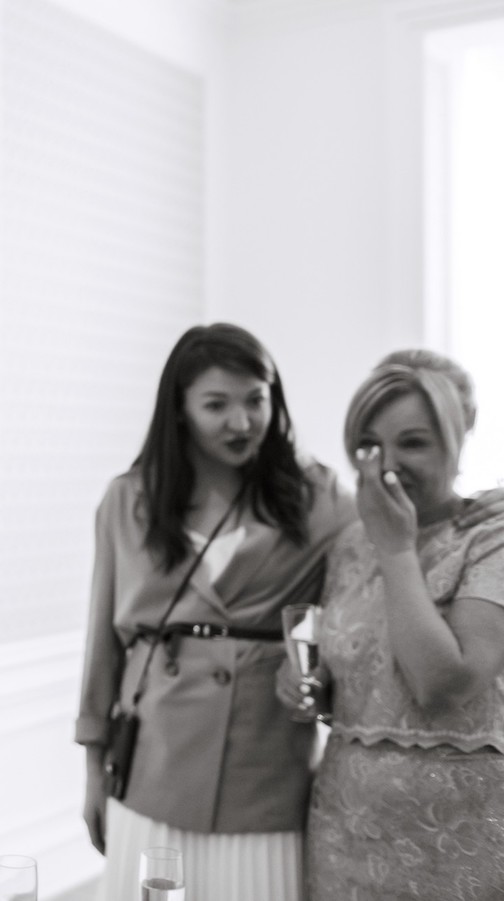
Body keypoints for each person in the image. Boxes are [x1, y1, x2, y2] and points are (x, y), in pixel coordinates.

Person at [77, 323, 358, 901]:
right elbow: (102, 647)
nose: (242, 422)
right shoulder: (128, 501)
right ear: (180, 409)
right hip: (152, 768)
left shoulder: (319, 500)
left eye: (256, 400)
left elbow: (365, 594)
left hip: (265, 773)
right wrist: (92, 774)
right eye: (216, 405)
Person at [282, 350, 504, 900]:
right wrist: (311, 688)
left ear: (456, 441)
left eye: (413, 443)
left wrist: (397, 549)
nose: (387, 464)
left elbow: (442, 684)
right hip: (346, 831)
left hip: (459, 846)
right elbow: (358, 676)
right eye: (369, 445)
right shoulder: (348, 546)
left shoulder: (490, 538)